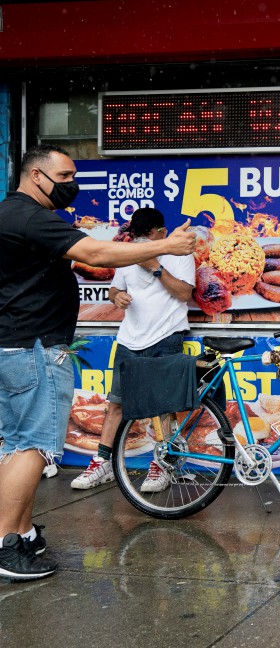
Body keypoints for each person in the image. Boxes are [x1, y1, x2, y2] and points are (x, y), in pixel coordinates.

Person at [0, 144, 195, 581]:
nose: (73, 185)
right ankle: (4, 545)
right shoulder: (31, 216)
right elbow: (97, 255)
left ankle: (23, 532)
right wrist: (168, 244)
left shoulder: (9, 215)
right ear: (36, 176)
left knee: (16, 447)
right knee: (34, 447)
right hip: (34, 348)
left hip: (15, 345)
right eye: (65, 176)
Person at [71, 207, 196, 493]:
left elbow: (184, 293)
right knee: (116, 404)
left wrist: (154, 265)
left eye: (147, 239)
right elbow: (114, 289)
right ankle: (102, 462)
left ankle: (162, 463)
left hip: (166, 337)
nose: (141, 246)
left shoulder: (181, 254)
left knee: (163, 405)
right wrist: (118, 297)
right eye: (137, 241)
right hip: (129, 339)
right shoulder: (126, 255)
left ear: (162, 234)